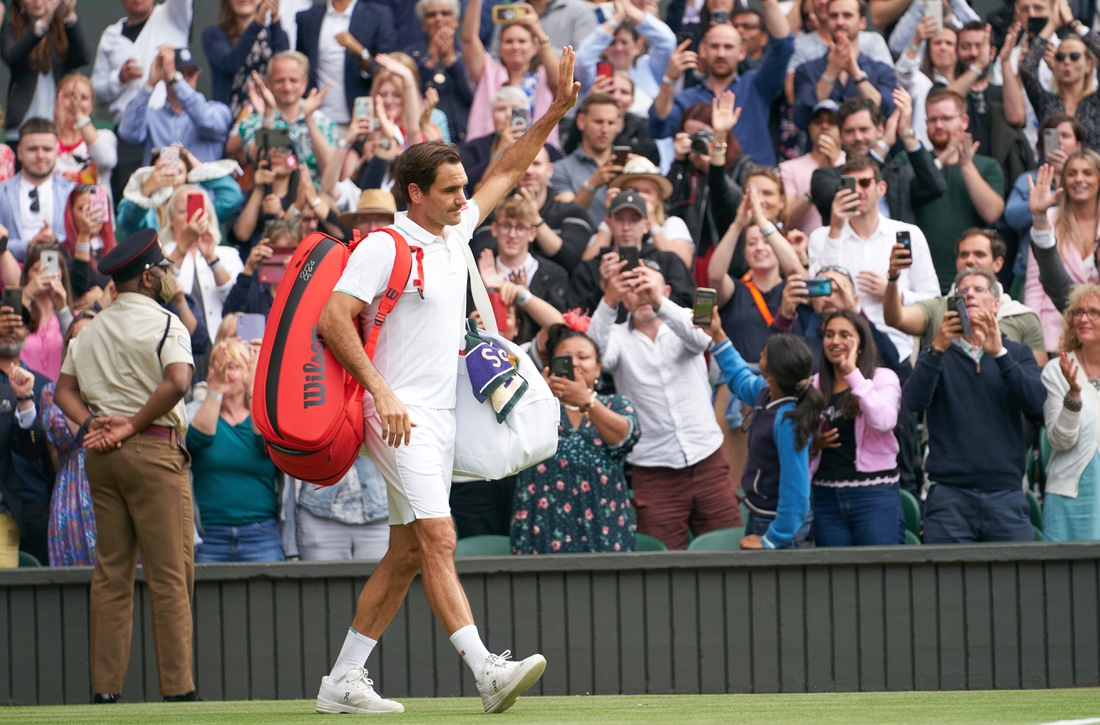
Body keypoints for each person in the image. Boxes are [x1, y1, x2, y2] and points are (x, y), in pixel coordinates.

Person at [310, 48, 580, 716]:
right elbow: (331, 318)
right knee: (439, 538)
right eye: (452, 190)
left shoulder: (454, 234)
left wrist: (555, 111)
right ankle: (487, 669)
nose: (466, 197)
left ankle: (341, 680)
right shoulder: (383, 245)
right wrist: (381, 391)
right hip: (396, 415)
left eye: (464, 187)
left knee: (407, 551)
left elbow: (508, 168)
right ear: (415, 195)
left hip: (437, 416)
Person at [53, 228, 197, 701]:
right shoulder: (165, 323)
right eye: (164, 271)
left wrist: (92, 426)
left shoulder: (90, 328)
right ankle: (178, 692)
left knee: (111, 573)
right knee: (170, 575)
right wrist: (131, 424)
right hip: (153, 451)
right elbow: (177, 383)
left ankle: (105, 692)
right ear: (151, 278)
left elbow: (62, 392)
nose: (168, 277)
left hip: (102, 458)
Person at [589, 261, 739, 549]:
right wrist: (608, 300)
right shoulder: (617, 335)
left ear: (666, 291)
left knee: (728, 550)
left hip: (707, 459)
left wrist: (658, 302)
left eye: (649, 286)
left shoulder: (683, 318)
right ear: (623, 296)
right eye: (633, 288)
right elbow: (597, 358)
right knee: (664, 567)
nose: (642, 294)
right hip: (654, 471)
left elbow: (700, 338)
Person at [902, 267, 1046, 543]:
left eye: (978, 290)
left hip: (1006, 495)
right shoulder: (937, 353)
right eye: (962, 291)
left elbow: (1036, 402)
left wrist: (1000, 355)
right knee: (945, 584)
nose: (969, 294)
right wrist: (937, 348)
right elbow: (913, 401)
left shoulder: (1016, 353)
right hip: (949, 498)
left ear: (996, 304)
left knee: (1016, 583)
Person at [511, 322, 640, 554]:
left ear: (598, 368)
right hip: (543, 524)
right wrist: (541, 397)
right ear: (551, 366)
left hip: (603, 525)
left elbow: (624, 437)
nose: (575, 363)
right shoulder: (536, 405)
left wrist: (586, 402)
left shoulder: (616, 404)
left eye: (583, 356)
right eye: (566, 357)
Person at [702, 315, 822, 549]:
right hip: (763, 516)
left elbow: (796, 493)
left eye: (764, 355)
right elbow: (740, 378)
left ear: (771, 376)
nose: (759, 356)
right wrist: (718, 334)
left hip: (777, 524)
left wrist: (772, 539)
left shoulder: (787, 421)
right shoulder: (767, 392)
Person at [808, 155, 940, 360]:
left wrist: (894, 295)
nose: (858, 190)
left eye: (865, 182)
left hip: (896, 348)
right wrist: (835, 228)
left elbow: (933, 301)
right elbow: (819, 292)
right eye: (849, 184)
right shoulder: (822, 236)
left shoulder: (909, 234)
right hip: (841, 347)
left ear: (881, 189)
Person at [649, 4, 793, 167]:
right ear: (703, 49)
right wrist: (669, 80)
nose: (721, 53)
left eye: (728, 47)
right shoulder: (687, 99)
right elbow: (658, 127)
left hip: (753, 180)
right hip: (703, 183)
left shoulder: (755, 85)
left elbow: (784, 48)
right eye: (715, 46)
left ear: (742, 52)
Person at [885, 228, 1048, 366]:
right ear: (957, 262)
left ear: (997, 263)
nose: (970, 260)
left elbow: (1035, 378)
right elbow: (895, 319)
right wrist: (893, 278)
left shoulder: (1023, 317)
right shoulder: (937, 308)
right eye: (964, 255)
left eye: (979, 254)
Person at [809, 310, 904, 546]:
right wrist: (814, 444)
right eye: (829, 335)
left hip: (874, 495)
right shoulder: (814, 384)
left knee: (879, 575)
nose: (835, 341)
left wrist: (852, 372)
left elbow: (884, 422)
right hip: (825, 496)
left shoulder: (883, 378)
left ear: (861, 342)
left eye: (845, 335)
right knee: (834, 579)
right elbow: (796, 439)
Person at [188, 340, 282, 562]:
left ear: (249, 373)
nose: (221, 373)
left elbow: (265, 443)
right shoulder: (195, 414)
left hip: (261, 534)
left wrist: (254, 389)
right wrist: (215, 388)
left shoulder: (265, 416)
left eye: (231, 367)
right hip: (209, 536)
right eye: (215, 366)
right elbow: (196, 441)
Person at [913, 88, 1006, 293]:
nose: (939, 125)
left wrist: (965, 166)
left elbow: (992, 212)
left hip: (973, 284)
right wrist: (942, 160)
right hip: (920, 281)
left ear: (964, 121)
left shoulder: (987, 166)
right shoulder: (910, 162)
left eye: (946, 118)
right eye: (932, 119)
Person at [809, 93, 945, 227]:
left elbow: (935, 186)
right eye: (849, 131)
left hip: (895, 248)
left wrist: (906, 133)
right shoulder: (824, 177)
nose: (858, 137)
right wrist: (884, 144)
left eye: (864, 129)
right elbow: (842, 193)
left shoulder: (898, 174)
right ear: (841, 135)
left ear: (880, 129)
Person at [568, 189, 696, 315]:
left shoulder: (668, 261)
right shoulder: (591, 268)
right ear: (609, 224)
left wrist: (656, 299)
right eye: (619, 219)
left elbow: (689, 307)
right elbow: (575, 318)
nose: (626, 227)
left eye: (634, 220)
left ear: (647, 226)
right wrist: (603, 289)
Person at [470, 146, 591, 274]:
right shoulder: (492, 212)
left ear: (549, 170)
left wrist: (535, 219)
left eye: (536, 164)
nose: (529, 171)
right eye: (525, 164)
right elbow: (483, 254)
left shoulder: (572, 212)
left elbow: (571, 259)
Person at [1041, 284, 1100, 541]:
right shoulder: (1057, 370)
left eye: (1094, 312)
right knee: (1062, 579)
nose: (1083, 318)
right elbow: (1061, 440)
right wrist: (1074, 394)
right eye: (1078, 312)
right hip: (1068, 497)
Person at [461, 0, 563, 147]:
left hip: (536, 158)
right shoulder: (488, 72)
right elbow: (469, 39)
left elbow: (561, 83)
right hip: (488, 154)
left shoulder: (543, 75)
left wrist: (537, 30)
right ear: (500, 47)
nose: (515, 47)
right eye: (509, 41)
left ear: (535, 47)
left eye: (522, 41)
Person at [1027, 154, 1100, 353]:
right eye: (1072, 173)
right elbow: (1043, 283)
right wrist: (1034, 342)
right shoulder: (1050, 218)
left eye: (1087, 173)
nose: (1079, 179)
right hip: (1056, 336)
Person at [474, 196, 568, 344]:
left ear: (532, 233)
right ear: (494, 229)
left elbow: (560, 328)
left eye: (520, 227)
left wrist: (523, 296)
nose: (512, 235)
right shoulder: (476, 273)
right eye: (506, 225)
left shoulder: (554, 274)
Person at [792, 0, 897, 131]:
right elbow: (801, 117)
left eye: (847, 15)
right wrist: (831, 72)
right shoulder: (805, 70)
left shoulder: (882, 70)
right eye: (834, 16)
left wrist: (856, 74)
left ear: (863, 22)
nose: (840, 22)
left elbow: (887, 113)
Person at [119, 45, 233, 165]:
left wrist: (174, 78)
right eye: (179, 73)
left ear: (197, 75)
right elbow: (128, 133)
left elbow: (206, 121)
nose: (184, 79)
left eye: (191, 73)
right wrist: (149, 84)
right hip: (161, 182)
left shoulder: (219, 110)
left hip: (199, 184)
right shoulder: (152, 115)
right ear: (164, 76)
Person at [44, 309, 97, 566]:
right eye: (75, 339)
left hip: (112, 482)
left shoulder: (119, 389)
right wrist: (77, 384)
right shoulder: (51, 393)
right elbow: (62, 438)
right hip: (72, 491)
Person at [161, 185, 246, 344]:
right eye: (183, 211)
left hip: (222, 345)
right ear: (171, 219)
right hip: (177, 345)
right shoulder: (161, 252)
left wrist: (212, 259)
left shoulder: (228, 254)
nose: (191, 217)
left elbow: (239, 303)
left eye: (197, 209)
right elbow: (160, 289)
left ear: (208, 216)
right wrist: (183, 246)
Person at [294, 0, 395, 130]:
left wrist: (361, 52)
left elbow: (385, 69)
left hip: (361, 117)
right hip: (318, 118)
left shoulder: (378, 15)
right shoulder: (307, 17)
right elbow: (302, 66)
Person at [89, 0, 193, 125]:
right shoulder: (110, 37)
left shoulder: (173, 14)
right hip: (126, 129)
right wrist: (119, 78)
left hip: (170, 127)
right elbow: (94, 94)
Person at [238, 51, 338, 177]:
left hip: (316, 194)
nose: (287, 86)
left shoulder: (324, 123)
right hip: (272, 195)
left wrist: (309, 119)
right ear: (267, 82)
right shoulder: (251, 123)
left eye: (293, 80)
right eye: (280, 80)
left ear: (304, 82)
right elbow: (260, 158)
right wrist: (269, 110)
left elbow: (331, 171)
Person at [1, 0, 89, 139]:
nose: (38, 1)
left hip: (59, 125)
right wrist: (41, 25)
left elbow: (82, 58)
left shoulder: (63, 30)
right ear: (20, 3)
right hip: (21, 128)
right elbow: (11, 57)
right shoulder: (11, 32)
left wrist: (70, 17)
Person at [115, 144, 245, 239]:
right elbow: (127, 222)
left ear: (187, 177)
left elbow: (232, 196)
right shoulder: (146, 211)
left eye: (179, 171)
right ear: (151, 173)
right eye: (162, 169)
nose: (171, 175)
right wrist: (146, 188)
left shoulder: (198, 209)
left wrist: (196, 166)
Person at [0, 302, 46, 569]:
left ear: (28, 332)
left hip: (34, 502)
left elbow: (39, 449)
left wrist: (26, 399)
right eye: (5, 319)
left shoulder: (44, 386)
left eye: (19, 323)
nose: (11, 328)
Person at [1022, 0, 1100, 152]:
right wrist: (1051, 25)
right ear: (1055, 64)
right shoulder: (1046, 102)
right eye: (1061, 56)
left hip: (1091, 174)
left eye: (1075, 56)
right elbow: (1027, 68)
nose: (1066, 62)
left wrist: (1073, 23)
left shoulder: (1096, 101)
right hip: (1051, 173)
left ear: (1088, 66)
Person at [576, 0, 676, 116]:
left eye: (624, 42)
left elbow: (668, 41)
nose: (619, 48)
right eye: (612, 42)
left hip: (646, 132)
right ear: (604, 47)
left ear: (638, 46)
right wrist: (616, 18)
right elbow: (582, 58)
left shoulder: (650, 66)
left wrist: (629, 9)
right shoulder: (595, 72)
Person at [0, 118, 77, 261]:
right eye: (32, 149)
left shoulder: (72, 192)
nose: (40, 155)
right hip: (11, 274)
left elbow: (82, 239)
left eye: (47, 149)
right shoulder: (2, 192)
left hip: (60, 273)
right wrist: (28, 246)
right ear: (20, 152)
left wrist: (54, 240)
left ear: (57, 151)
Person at [201, 0, 289, 120]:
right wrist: (257, 22)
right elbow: (230, 63)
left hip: (271, 115)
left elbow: (285, 66)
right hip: (231, 119)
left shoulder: (274, 33)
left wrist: (275, 18)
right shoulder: (213, 35)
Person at [551, 93, 627, 228]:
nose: (605, 129)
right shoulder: (560, 169)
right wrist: (593, 184)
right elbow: (565, 217)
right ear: (581, 121)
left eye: (611, 123)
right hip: (580, 246)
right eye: (598, 122)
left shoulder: (631, 165)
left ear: (619, 125)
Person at [402, 0, 472, 144]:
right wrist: (431, 62)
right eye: (431, 15)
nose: (439, 19)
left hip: (466, 139)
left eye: (445, 13)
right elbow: (410, 97)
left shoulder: (469, 53)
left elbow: (473, 97)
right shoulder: (410, 56)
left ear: (456, 21)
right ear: (423, 23)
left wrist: (451, 61)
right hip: (425, 139)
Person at [780, 99, 844, 235]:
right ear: (810, 128)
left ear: (842, 129)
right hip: (804, 248)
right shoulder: (789, 168)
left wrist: (833, 171)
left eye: (832, 121)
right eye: (818, 122)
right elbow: (786, 221)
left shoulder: (852, 162)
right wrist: (817, 185)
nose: (824, 126)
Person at [54, 74, 118, 193]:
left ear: (91, 105)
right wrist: (58, 123)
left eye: (83, 97)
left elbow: (106, 160)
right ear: (57, 100)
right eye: (69, 96)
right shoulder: (47, 140)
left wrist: (79, 115)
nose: (75, 102)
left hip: (96, 210)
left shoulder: (104, 136)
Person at [20, 242, 73, 381]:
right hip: (23, 390)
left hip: (59, 396)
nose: (43, 275)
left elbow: (79, 352)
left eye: (51, 268)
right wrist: (27, 294)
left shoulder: (73, 316)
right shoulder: (18, 312)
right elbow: (9, 336)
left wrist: (62, 310)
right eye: (37, 269)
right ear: (26, 276)